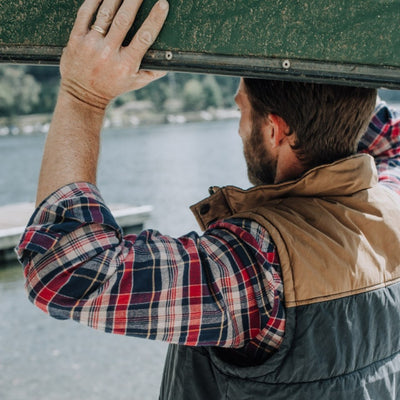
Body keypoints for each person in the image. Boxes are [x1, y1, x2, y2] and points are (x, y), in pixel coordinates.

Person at [16, 0, 400, 399]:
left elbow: (63, 270)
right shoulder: (390, 204)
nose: (238, 128)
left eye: (241, 110)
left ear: (275, 131)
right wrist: (332, 91)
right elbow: (390, 138)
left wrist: (84, 96)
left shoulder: (257, 267)